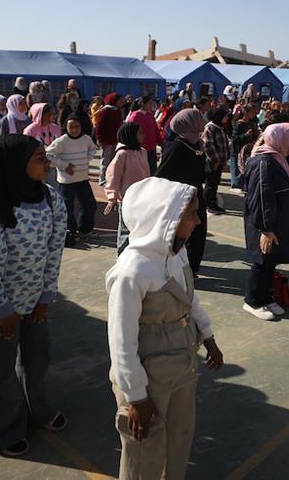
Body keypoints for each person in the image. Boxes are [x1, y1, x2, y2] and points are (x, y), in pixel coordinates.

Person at [105, 177, 223, 478]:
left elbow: (190, 299)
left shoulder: (176, 253)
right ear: (165, 219)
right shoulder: (132, 271)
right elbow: (121, 340)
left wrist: (208, 336)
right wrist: (136, 396)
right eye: (191, 214)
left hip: (182, 362)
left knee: (180, 435)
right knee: (146, 450)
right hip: (149, 374)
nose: (197, 221)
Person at [0, 135, 68, 458]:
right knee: (1, 371)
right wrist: (1, 312)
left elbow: (54, 251)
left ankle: (37, 409)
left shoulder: (50, 198)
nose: (47, 162)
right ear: (13, 165)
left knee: (37, 359)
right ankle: (5, 429)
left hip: (33, 302)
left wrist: (45, 297)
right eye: (39, 157)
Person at [242, 123, 289, 320]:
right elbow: (261, 198)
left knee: (271, 261)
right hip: (266, 224)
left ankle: (265, 296)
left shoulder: (278, 158)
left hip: (276, 221)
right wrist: (266, 229)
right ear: (283, 140)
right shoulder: (263, 162)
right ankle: (253, 301)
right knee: (262, 262)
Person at [155, 109, 209, 276]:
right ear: (188, 123)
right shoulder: (176, 147)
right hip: (179, 198)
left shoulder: (198, 143)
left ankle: (191, 269)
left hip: (195, 195)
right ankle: (175, 270)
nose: (203, 121)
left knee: (198, 233)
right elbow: (161, 175)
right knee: (179, 236)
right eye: (199, 118)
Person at [46, 117, 97, 245]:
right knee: (67, 207)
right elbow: (47, 155)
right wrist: (64, 165)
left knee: (89, 204)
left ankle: (85, 230)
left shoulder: (86, 139)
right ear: (66, 128)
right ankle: (70, 231)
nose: (74, 130)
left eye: (77, 127)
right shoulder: (62, 141)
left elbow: (93, 148)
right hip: (66, 181)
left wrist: (86, 158)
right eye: (71, 127)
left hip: (83, 179)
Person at [104, 123, 151, 254]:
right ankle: (123, 256)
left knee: (140, 228)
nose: (143, 135)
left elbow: (146, 174)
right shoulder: (122, 154)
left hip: (142, 198)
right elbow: (113, 175)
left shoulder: (142, 152)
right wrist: (112, 197)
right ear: (130, 136)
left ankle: (136, 255)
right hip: (127, 200)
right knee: (126, 230)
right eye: (140, 133)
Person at [202, 108, 231, 215]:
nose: (227, 118)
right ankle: (208, 204)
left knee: (215, 183)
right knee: (210, 184)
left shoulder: (221, 127)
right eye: (225, 116)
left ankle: (213, 202)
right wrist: (216, 160)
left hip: (219, 163)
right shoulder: (210, 127)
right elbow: (207, 145)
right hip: (212, 162)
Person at [127, 97, 162, 174]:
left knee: (152, 169)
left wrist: (160, 142)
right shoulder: (135, 116)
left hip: (151, 147)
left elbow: (156, 130)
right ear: (143, 104)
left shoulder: (150, 115)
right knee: (140, 170)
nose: (151, 105)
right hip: (139, 148)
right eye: (149, 103)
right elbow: (130, 132)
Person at [96, 94, 124, 186]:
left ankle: (110, 178)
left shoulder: (118, 111)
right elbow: (99, 126)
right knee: (105, 160)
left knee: (113, 160)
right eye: (120, 100)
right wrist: (100, 139)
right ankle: (102, 179)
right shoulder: (105, 111)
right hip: (107, 140)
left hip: (115, 140)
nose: (122, 102)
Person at [230, 105, 259, 190]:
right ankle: (236, 185)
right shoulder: (239, 124)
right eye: (251, 112)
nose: (253, 114)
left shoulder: (250, 124)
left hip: (246, 151)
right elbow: (234, 139)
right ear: (246, 113)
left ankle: (242, 185)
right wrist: (245, 135)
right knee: (237, 169)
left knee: (244, 169)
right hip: (237, 151)